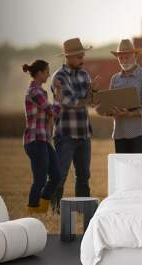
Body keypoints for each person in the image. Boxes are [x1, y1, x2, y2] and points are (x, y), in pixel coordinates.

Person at [50, 38, 100, 213]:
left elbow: (90, 102)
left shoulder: (84, 74)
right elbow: (69, 102)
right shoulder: (59, 77)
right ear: (68, 57)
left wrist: (93, 91)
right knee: (60, 174)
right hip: (65, 134)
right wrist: (87, 99)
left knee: (84, 176)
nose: (83, 57)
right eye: (79, 55)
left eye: (83, 54)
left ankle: (83, 208)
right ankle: (54, 209)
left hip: (84, 133)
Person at [97, 39, 142, 153]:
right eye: (121, 58)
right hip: (120, 134)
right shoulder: (115, 79)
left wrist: (129, 114)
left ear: (135, 56)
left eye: (127, 57)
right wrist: (103, 109)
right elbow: (111, 105)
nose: (123, 60)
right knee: (122, 171)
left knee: (139, 170)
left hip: (140, 134)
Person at [22, 59, 62, 214]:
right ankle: (33, 211)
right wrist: (58, 95)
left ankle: (40, 209)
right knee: (39, 179)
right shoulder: (34, 92)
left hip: (43, 140)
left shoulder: (41, 92)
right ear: (39, 73)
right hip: (34, 141)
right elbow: (53, 111)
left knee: (57, 176)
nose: (49, 74)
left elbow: (51, 113)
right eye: (46, 71)